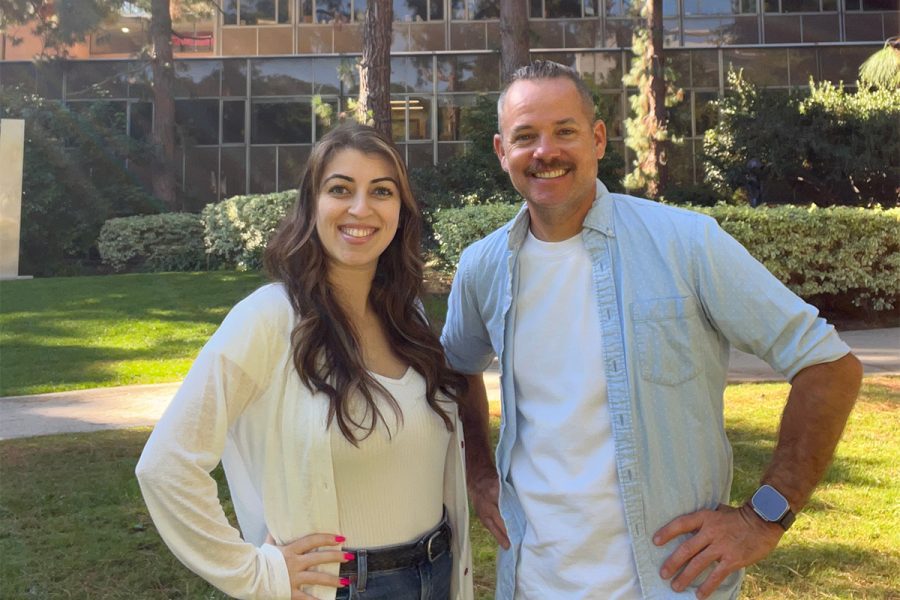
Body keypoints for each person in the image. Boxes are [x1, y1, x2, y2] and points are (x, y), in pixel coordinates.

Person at [440, 60, 862, 600]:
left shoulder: (686, 244)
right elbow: (457, 367)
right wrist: (479, 472)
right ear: (503, 152)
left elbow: (829, 366)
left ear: (597, 139)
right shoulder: (483, 267)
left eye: (564, 131)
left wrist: (765, 516)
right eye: (526, 136)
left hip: (666, 584)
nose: (545, 152)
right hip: (530, 581)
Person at [137, 123, 473, 600]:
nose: (361, 208)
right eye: (341, 189)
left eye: (382, 191)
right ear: (312, 205)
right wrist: (255, 573)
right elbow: (165, 466)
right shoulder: (269, 318)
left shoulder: (408, 317)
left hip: (436, 573)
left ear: (401, 211)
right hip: (343, 588)